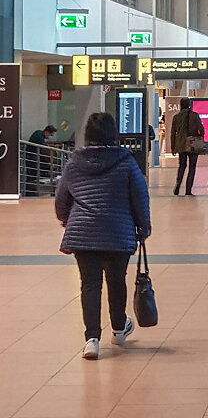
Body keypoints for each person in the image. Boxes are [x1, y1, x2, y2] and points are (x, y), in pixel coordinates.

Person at [54, 112, 151, 361]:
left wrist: (67, 220)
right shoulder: (126, 162)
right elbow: (140, 197)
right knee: (117, 280)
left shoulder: (74, 163)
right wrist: (144, 227)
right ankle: (119, 329)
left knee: (89, 284)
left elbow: (61, 199)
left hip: (83, 232)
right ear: (113, 133)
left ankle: (92, 340)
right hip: (118, 231)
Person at [170, 98, 204, 196]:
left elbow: (173, 133)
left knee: (182, 166)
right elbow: (201, 130)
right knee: (192, 167)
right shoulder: (195, 116)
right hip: (192, 144)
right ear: (189, 105)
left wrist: (173, 147)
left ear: (181, 105)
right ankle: (188, 190)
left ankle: (178, 184)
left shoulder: (176, 117)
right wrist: (198, 137)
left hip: (181, 144)